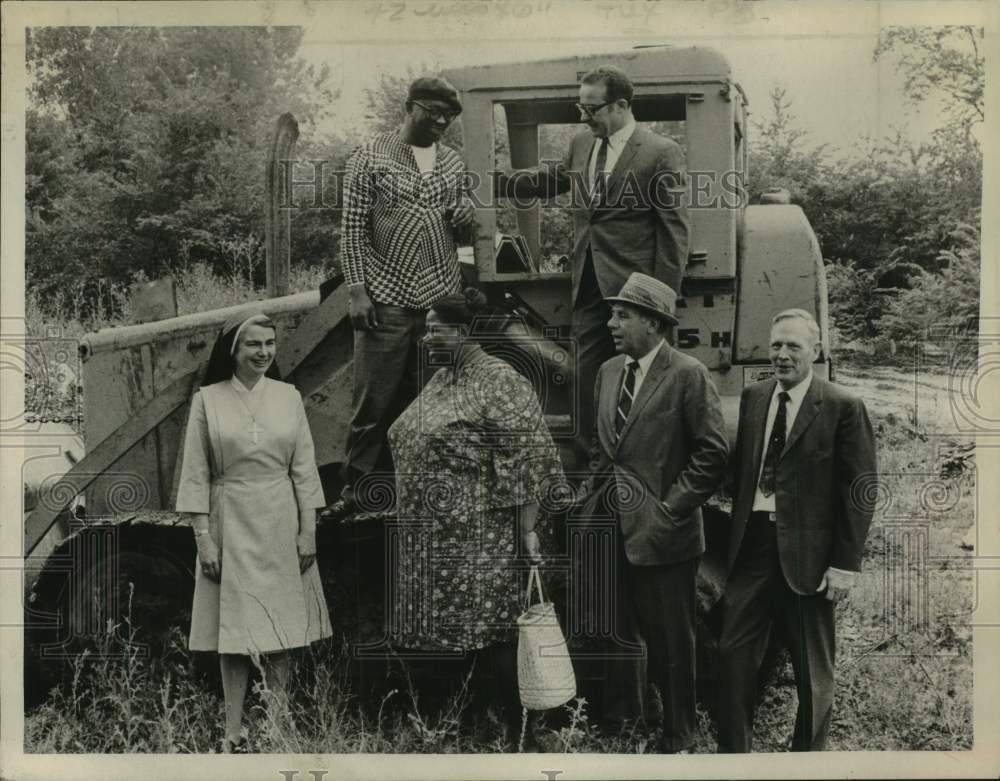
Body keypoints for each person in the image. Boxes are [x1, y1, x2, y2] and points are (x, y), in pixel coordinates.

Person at [386, 288, 565, 749]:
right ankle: (461, 730)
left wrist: (527, 532)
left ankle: (519, 733)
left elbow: (529, 458)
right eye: (425, 329)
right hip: (441, 545)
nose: (426, 338)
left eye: (435, 330)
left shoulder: (497, 381)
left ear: (462, 333)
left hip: (483, 541)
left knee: (498, 635)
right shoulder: (447, 377)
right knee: (455, 641)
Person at [499, 64, 690, 459]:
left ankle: (642, 463)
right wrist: (492, 181)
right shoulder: (581, 144)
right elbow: (552, 180)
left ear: (621, 105)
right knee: (584, 378)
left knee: (644, 381)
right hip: (588, 282)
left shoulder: (660, 152)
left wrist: (661, 301)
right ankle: (591, 466)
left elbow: (674, 230)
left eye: (592, 109)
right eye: (580, 108)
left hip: (637, 291)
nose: (583, 117)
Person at [716, 308, 878, 752]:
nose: (783, 355)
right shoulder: (753, 398)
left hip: (809, 558)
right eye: (776, 345)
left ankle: (804, 760)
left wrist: (845, 564)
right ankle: (733, 758)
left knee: (812, 672)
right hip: (751, 548)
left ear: (816, 350)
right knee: (732, 657)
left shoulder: (843, 407)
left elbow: (859, 491)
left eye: (794, 346)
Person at [176, 312, 332, 753]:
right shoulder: (208, 400)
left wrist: (309, 531)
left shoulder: (288, 397)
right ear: (233, 351)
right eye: (253, 345)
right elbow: (195, 473)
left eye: (269, 344)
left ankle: (277, 726)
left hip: (281, 520)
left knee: (280, 626)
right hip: (230, 520)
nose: (263, 353)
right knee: (236, 632)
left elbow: (304, 470)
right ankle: (232, 731)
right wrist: (203, 537)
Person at [585, 272, 728, 751]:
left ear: (652, 322)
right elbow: (606, 452)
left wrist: (670, 508)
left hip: (665, 532)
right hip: (610, 525)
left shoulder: (688, 373)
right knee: (615, 627)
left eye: (622, 315)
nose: (611, 323)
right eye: (612, 314)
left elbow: (712, 454)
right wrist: (589, 500)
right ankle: (623, 720)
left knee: (672, 640)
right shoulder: (608, 372)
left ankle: (679, 731)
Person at [327, 75, 475, 522]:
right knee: (373, 405)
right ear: (410, 108)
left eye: (448, 116)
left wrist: (467, 214)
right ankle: (359, 498)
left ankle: (426, 496)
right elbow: (352, 229)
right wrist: (357, 290)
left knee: (432, 404)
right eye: (432, 112)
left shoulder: (453, 163)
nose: (441, 121)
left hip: (437, 301)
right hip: (386, 299)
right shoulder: (370, 156)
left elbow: (465, 233)